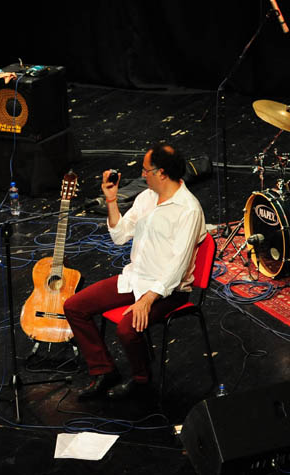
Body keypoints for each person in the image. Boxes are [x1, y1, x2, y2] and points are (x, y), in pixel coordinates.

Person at [64, 143, 206, 400]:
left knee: (127, 329)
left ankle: (142, 381)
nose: (142, 175)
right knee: (75, 306)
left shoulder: (189, 210)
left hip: (168, 290)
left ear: (161, 173)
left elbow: (177, 267)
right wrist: (111, 199)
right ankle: (104, 370)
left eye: (145, 170)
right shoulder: (146, 198)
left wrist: (147, 299)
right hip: (135, 279)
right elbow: (120, 235)